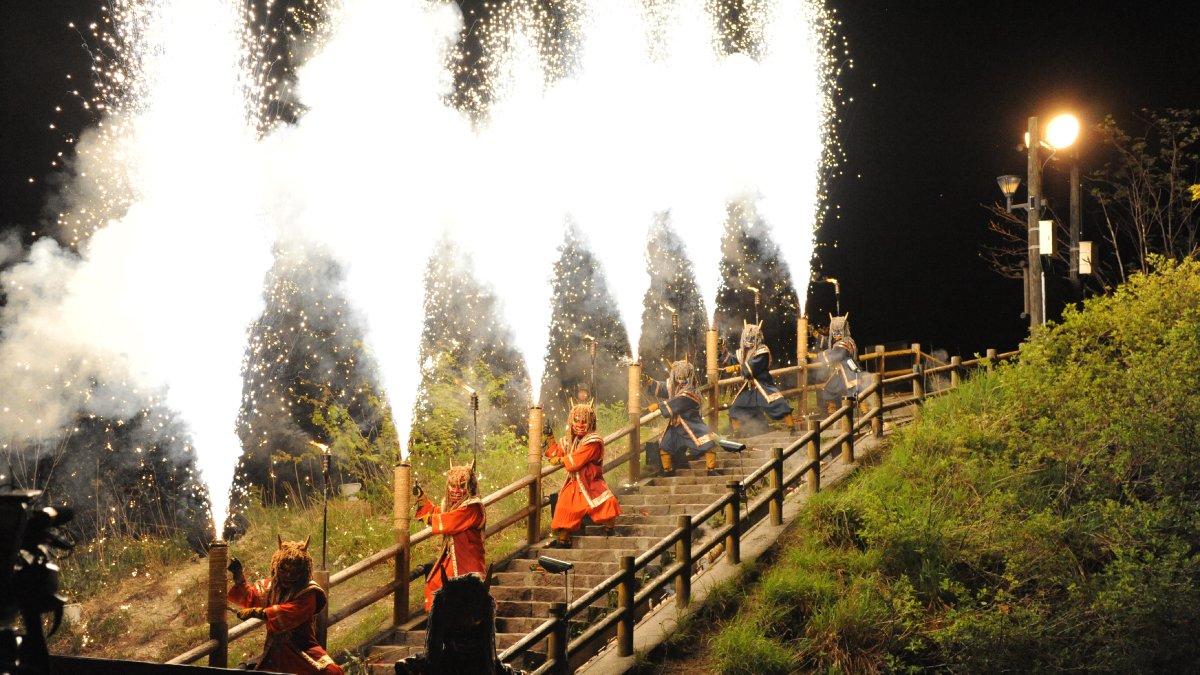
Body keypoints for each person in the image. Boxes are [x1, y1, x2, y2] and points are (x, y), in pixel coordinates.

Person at [227, 537, 343, 674]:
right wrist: (239, 576)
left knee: (332, 672)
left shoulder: (309, 591)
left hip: (303, 646)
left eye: (294, 572)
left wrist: (258, 612)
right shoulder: (271, 587)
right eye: (284, 570)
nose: (288, 576)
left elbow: (291, 613)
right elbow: (250, 597)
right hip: (275, 650)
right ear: (277, 566)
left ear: (304, 570)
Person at [544, 403, 621, 548]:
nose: (579, 425)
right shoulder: (569, 440)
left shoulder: (594, 441)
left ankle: (610, 530)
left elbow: (577, 460)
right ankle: (563, 540)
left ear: (591, 422)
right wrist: (550, 438)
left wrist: (560, 460)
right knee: (564, 508)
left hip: (591, 481)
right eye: (576, 420)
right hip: (574, 482)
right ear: (571, 421)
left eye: (584, 421)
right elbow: (556, 452)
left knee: (606, 503)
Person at [414, 462, 487, 612]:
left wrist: (428, 518)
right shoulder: (454, 507)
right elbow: (441, 513)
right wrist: (421, 498)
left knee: (465, 596)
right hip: (453, 559)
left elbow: (450, 521)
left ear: (470, 486)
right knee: (435, 585)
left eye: (461, 486)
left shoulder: (473, 507)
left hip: (467, 561)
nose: (456, 490)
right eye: (452, 486)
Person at [644, 360, 720, 476]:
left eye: (683, 376)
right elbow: (665, 388)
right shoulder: (674, 386)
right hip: (676, 425)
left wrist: (659, 406)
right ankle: (668, 470)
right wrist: (650, 382)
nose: (680, 379)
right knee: (665, 445)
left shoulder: (691, 390)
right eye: (678, 376)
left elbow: (678, 401)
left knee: (708, 441)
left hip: (691, 423)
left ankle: (711, 469)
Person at [724, 321, 796, 434]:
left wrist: (737, 368)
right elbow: (734, 360)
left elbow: (752, 368)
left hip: (763, 385)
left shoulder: (763, 351)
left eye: (751, 338)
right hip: (749, 388)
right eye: (747, 338)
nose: (748, 341)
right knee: (735, 408)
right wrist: (723, 353)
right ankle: (737, 433)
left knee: (779, 404)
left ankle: (792, 428)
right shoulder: (743, 352)